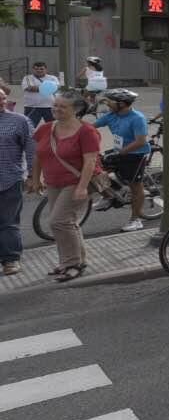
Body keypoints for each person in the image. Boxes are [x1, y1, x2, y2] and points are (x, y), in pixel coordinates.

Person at [27, 90, 101, 281]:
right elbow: (37, 156)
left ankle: (72, 263)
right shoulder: (46, 129)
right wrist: (35, 179)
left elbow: (90, 161)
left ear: (76, 109)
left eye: (62, 106)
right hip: (54, 182)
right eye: (55, 105)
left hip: (76, 182)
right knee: (67, 223)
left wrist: (82, 187)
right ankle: (73, 261)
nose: (56, 109)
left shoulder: (86, 131)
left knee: (58, 221)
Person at [94, 88, 152, 232]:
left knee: (135, 186)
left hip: (136, 154)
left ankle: (136, 220)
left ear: (121, 104)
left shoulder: (137, 118)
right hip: (119, 151)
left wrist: (121, 153)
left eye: (110, 102)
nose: (108, 105)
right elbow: (91, 126)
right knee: (96, 172)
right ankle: (109, 196)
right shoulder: (112, 115)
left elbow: (141, 142)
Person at [0, 95, 35, 276]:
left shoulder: (19, 121)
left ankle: (10, 259)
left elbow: (31, 150)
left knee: (8, 223)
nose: (2, 102)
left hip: (9, 180)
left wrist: (32, 176)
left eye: (2, 98)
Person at [20, 62, 58, 126]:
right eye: (36, 69)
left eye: (41, 69)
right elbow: (29, 88)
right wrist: (48, 87)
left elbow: (55, 88)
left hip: (50, 107)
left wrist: (37, 87)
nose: (39, 70)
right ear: (33, 70)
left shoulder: (53, 78)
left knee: (53, 127)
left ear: (46, 69)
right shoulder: (27, 78)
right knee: (28, 128)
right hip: (32, 107)